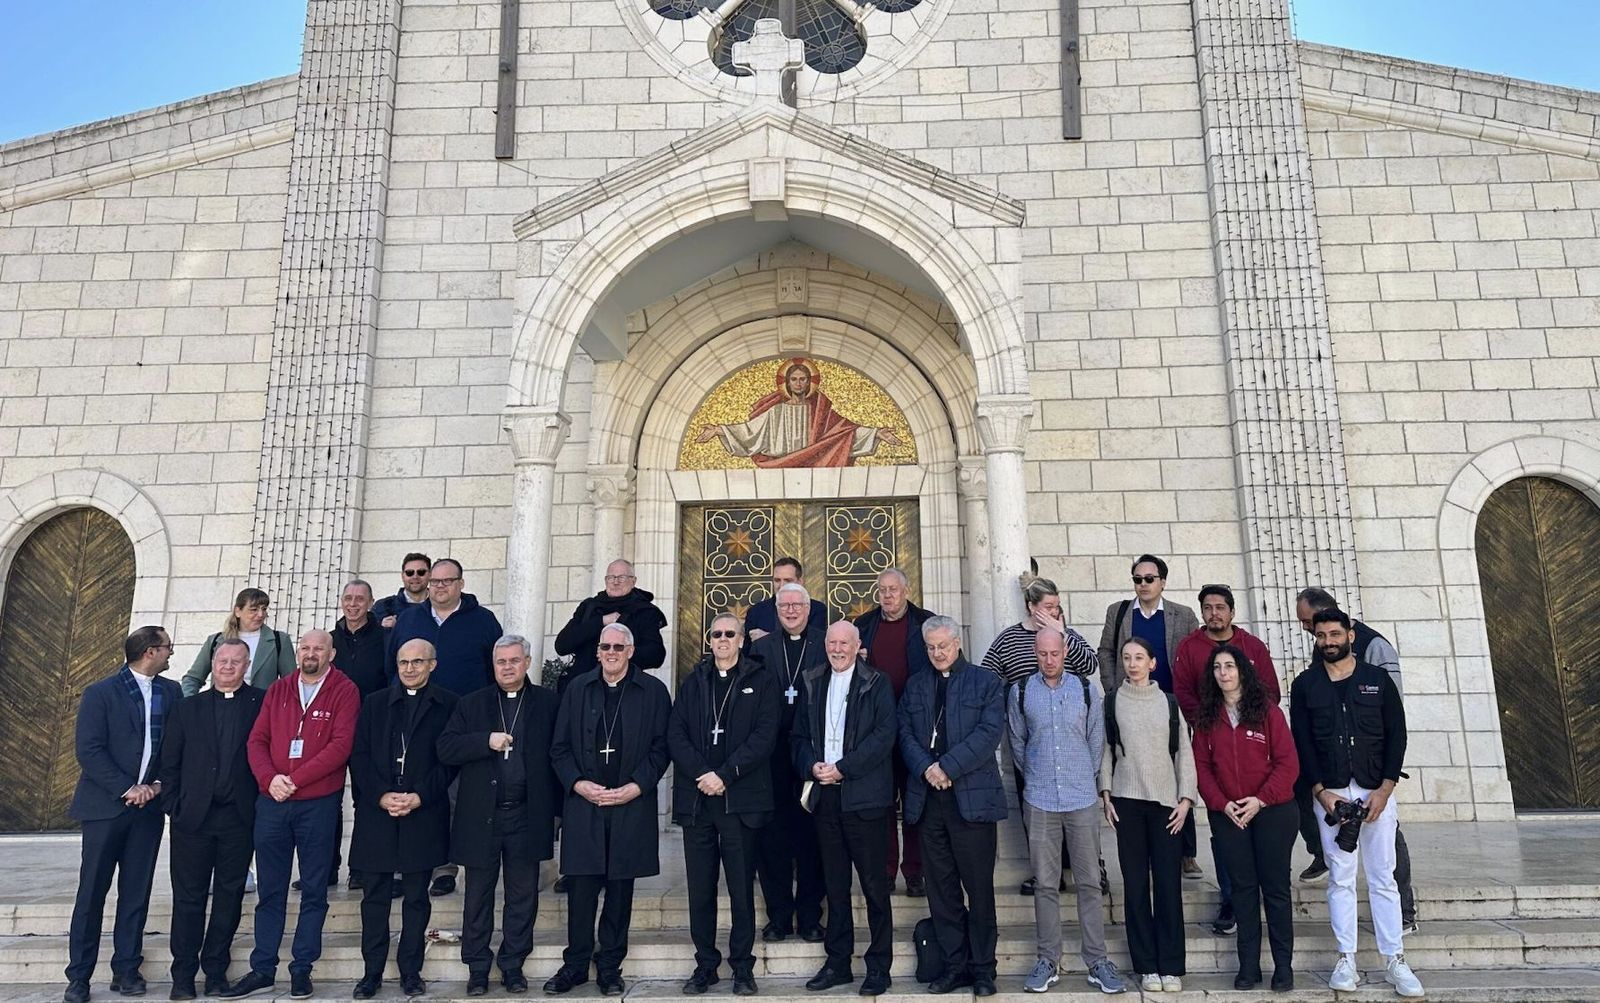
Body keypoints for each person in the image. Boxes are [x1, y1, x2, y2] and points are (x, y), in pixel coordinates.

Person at [1290, 609, 1423, 998]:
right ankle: (1346, 958)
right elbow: (1303, 743)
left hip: (1375, 793)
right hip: (1331, 795)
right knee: (1341, 878)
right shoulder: (1305, 685)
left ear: (1350, 635)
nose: (1328, 641)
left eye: (1334, 634)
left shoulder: (1376, 680)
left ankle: (1395, 959)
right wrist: (1320, 793)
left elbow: (1396, 735)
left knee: (1383, 877)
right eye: (1321, 636)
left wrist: (1384, 790)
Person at [224, 630, 359, 1001]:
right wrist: (270, 780)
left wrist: (295, 780)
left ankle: (302, 968)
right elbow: (257, 741)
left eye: (318, 648)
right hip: (272, 802)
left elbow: (340, 746)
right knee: (270, 890)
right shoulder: (279, 689)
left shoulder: (345, 690)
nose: (310, 653)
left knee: (314, 889)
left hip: (317, 803)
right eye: (305, 648)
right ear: (298, 652)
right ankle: (263, 968)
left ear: (331, 653)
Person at [545, 624, 672, 997]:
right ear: (597, 651)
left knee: (620, 891)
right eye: (605, 646)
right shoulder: (577, 689)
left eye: (619, 646)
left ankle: (610, 966)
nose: (612, 652)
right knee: (581, 891)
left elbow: (662, 748)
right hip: (584, 804)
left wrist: (635, 787)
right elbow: (559, 748)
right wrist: (579, 784)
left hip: (629, 803)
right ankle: (575, 965)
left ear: (631, 651)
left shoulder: (653, 691)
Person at [63, 626, 181, 1003]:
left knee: (136, 892)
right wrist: (127, 787)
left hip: (147, 811)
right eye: (167, 648)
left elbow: (175, 746)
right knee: (92, 893)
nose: (171, 653)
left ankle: (126, 969)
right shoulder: (101, 693)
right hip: (105, 809)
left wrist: (158, 785)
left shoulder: (172, 691)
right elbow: (90, 749)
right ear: (150, 651)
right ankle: (79, 976)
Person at [438, 635, 560, 998]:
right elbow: (446, 748)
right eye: (501, 662)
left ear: (527, 661)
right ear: (493, 665)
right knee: (477, 895)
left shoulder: (548, 703)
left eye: (514, 660)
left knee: (523, 895)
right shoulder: (472, 704)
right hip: (482, 817)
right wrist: (483, 741)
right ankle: (477, 967)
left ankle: (512, 965)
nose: (507, 667)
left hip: (527, 813)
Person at [1007, 628, 1125, 996]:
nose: (1049, 660)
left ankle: (1097, 960)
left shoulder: (1087, 691)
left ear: (1065, 651)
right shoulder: (1021, 691)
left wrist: (1081, 777)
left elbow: (1096, 741)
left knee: (1089, 882)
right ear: (1035, 653)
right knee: (1045, 883)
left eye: (1055, 653)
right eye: (1042, 654)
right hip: (1040, 799)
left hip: (1081, 798)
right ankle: (1047, 959)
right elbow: (1017, 743)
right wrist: (1038, 778)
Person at [668, 613, 780, 996]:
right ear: (708, 639)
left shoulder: (760, 681)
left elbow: (765, 736)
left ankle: (742, 967)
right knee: (700, 889)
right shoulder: (694, 681)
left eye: (730, 634)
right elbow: (676, 732)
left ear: (742, 639)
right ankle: (705, 964)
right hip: (698, 801)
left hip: (739, 801)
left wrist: (725, 775)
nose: (723, 639)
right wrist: (703, 773)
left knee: (740, 890)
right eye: (716, 634)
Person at [897, 615, 1006, 997]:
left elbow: (989, 733)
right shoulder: (915, 685)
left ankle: (983, 969)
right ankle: (954, 964)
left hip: (971, 801)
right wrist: (927, 768)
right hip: (929, 801)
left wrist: (947, 766)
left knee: (978, 889)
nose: (937, 653)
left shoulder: (985, 681)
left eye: (943, 646)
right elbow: (905, 733)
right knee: (941, 891)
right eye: (931, 647)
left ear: (957, 643)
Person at [348, 638, 459, 999]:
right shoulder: (375, 703)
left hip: (422, 810)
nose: (409, 669)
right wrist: (381, 794)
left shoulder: (448, 705)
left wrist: (418, 796)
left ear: (433, 664)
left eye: (417, 662)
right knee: (375, 896)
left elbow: (449, 761)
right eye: (403, 663)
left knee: (416, 897)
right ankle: (372, 973)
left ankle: (411, 971)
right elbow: (359, 755)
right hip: (378, 810)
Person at [792, 621, 897, 997]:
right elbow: (799, 735)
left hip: (864, 797)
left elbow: (884, 735)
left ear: (857, 646)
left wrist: (844, 768)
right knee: (834, 886)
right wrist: (812, 766)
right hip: (826, 797)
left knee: (873, 886)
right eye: (832, 643)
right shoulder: (812, 680)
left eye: (844, 643)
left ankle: (878, 966)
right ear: (825, 645)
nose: (838, 649)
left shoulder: (877, 682)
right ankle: (838, 962)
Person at [386, 557, 503, 896]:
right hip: (414, 720)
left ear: (460, 584)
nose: (439, 586)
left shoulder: (482, 621)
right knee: (410, 787)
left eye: (446, 581)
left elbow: (492, 669)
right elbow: (391, 668)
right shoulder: (409, 619)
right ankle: (402, 863)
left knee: (452, 795)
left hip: (460, 723)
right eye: (434, 581)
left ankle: (445, 867)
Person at [1171, 583, 1281, 934]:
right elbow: (1184, 693)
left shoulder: (1253, 647)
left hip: (1254, 753)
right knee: (1224, 827)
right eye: (1207, 607)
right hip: (1211, 748)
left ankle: (1264, 895)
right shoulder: (1190, 648)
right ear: (1201, 612)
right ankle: (1231, 901)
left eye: (1220, 607)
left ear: (1232, 611)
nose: (1214, 613)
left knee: (1260, 832)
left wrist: (1247, 722)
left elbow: (1272, 693)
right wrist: (1207, 723)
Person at [158, 638, 264, 1000]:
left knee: (229, 898)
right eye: (223, 660)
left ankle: (216, 972)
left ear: (247, 665)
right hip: (193, 821)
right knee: (188, 898)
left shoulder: (261, 704)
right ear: (212, 664)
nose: (229, 666)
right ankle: (182, 976)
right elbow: (168, 763)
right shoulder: (188, 708)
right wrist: (175, 805)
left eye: (237, 661)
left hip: (238, 819)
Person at [982, 574, 1099, 897]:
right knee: (1033, 807)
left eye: (1057, 606)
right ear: (1031, 606)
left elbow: (1090, 665)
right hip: (1031, 738)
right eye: (1048, 606)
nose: (1054, 611)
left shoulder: (1066, 636)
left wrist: (1062, 634)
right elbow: (987, 677)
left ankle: (1090, 868)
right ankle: (1046, 873)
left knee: (1079, 809)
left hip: (1072, 738)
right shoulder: (1009, 639)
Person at [1192, 644, 1299, 992]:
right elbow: (1202, 768)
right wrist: (1222, 804)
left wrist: (1260, 800)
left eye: (1230, 666)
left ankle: (1283, 967)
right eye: (1218, 667)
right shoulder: (1207, 718)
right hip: (1229, 815)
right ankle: (1248, 967)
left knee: (1276, 890)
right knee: (1242, 891)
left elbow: (1288, 763)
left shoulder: (1267, 712)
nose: (1224, 673)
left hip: (1273, 812)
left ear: (1242, 671)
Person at [1096, 555, 1203, 879]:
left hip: (1171, 710)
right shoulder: (1119, 612)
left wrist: (1190, 704)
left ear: (1162, 582)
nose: (1143, 584)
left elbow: (1195, 658)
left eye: (1149, 578)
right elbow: (1105, 652)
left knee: (1179, 772)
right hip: (1131, 704)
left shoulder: (1182, 616)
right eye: (1138, 579)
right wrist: (1114, 690)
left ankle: (1186, 852)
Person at [1099, 637, 1195, 994]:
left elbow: (1184, 752)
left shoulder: (1168, 703)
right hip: (1126, 801)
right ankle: (1146, 966)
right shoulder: (1112, 702)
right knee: (1136, 885)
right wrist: (1105, 793)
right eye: (1127, 658)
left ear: (1153, 663)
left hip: (1167, 804)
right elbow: (1106, 748)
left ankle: (1171, 965)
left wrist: (1186, 799)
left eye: (1139, 657)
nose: (1133, 663)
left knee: (1168, 884)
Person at [749, 582, 828, 943]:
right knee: (773, 840)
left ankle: (811, 916)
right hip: (771, 758)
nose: (792, 611)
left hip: (813, 754)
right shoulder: (760, 648)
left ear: (809, 610)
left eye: (798, 605)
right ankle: (779, 917)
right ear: (776, 609)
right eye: (785, 606)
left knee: (813, 839)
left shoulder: (824, 644)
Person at [853, 567, 935, 897]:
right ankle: (886, 869)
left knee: (916, 801)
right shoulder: (864, 626)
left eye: (893, 589)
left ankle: (915, 872)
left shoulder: (925, 622)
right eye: (882, 590)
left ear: (906, 590)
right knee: (882, 802)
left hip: (915, 727)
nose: (888, 596)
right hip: (877, 727)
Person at [694, 356, 901, 467]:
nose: (799, 383)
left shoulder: (820, 412)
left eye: (803, 379)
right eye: (794, 379)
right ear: (787, 382)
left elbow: (844, 432)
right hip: (776, 463)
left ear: (810, 381)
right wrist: (718, 430)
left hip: (817, 462)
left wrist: (876, 434)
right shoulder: (776, 412)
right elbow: (750, 432)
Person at [331, 578, 388, 893]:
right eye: (348, 598)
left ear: (370, 603)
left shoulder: (384, 638)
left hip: (371, 730)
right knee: (328, 799)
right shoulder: (329, 640)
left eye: (359, 599)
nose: (353, 604)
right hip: (331, 731)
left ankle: (361, 868)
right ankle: (327, 867)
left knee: (366, 798)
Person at [553, 559, 668, 693]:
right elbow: (562, 645)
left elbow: (656, 655)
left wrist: (619, 653)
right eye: (611, 577)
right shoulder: (589, 607)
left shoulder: (645, 611)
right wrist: (600, 622)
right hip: (583, 690)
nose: (615, 581)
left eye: (622, 577)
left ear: (633, 581)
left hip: (625, 691)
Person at [182, 588, 295, 696]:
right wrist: (190, 706)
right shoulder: (216, 641)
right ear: (238, 611)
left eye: (264, 609)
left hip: (263, 711)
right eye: (254, 610)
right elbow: (192, 679)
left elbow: (292, 683)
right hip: (220, 709)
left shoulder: (279, 640)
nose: (261, 614)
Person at [741, 557, 825, 646]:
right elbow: (747, 652)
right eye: (777, 580)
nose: (781, 585)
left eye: (787, 580)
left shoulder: (817, 609)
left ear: (800, 581)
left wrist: (767, 639)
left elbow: (815, 645)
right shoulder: (756, 611)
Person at [372, 553, 432, 630]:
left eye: (421, 572)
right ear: (402, 576)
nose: (415, 577)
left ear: (430, 575)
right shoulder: (383, 607)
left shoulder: (443, 607)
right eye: (409, 573)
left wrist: (399, 626)